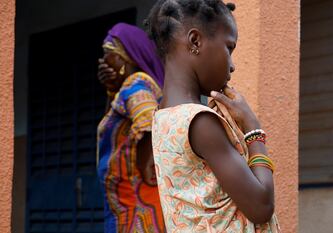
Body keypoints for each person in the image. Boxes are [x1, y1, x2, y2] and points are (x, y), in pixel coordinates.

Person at [146, 1, 280, 232]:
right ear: (195, 41)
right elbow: (262, 206)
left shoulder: (163, 117)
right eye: (229, 48)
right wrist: (253, 129)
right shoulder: (200, 121)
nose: (232, 65)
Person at [96, 22, 165, 233]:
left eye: (108, 53)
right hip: (132, 210)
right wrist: (111, 91)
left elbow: (148, 119)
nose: (102, 61)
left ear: (126, 58)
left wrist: (147, 164)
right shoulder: (131, 88)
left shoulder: (136, 83)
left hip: (136, 213)